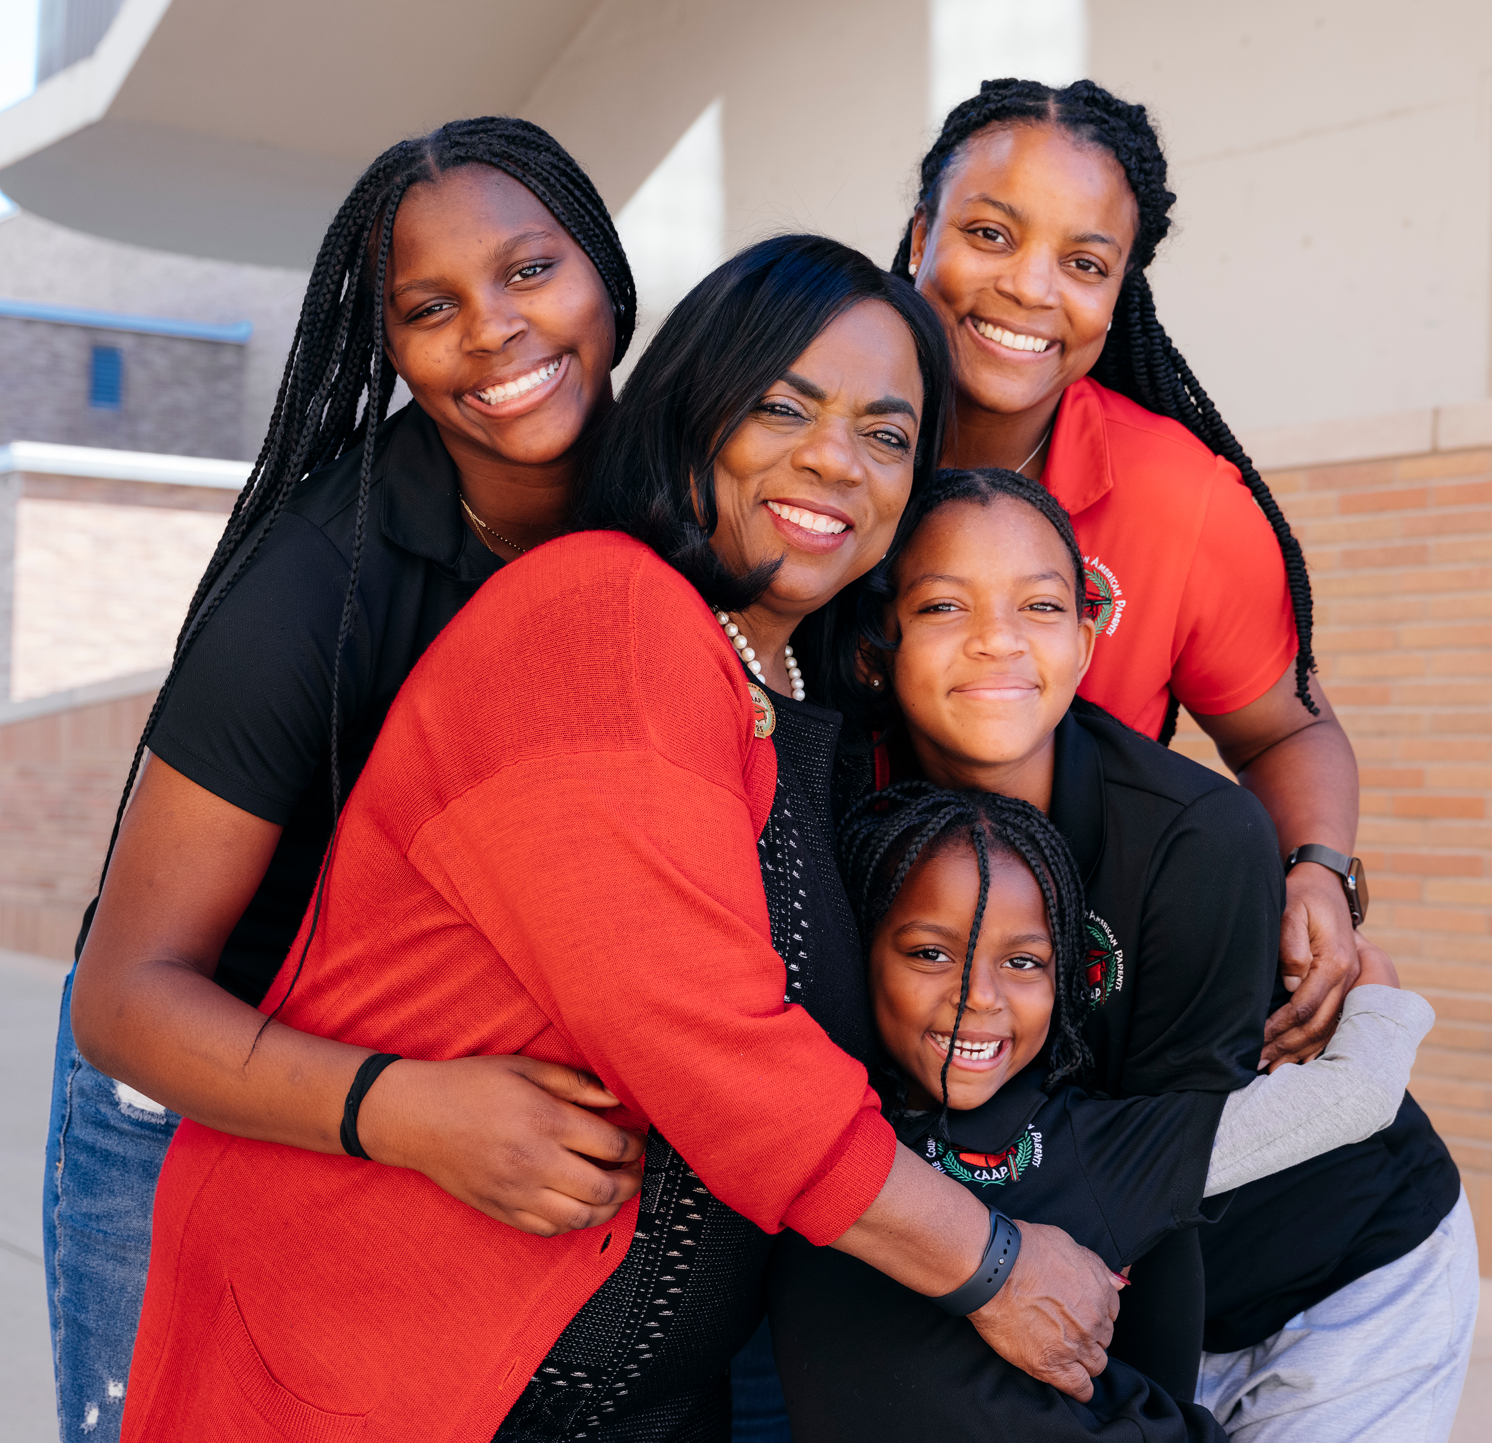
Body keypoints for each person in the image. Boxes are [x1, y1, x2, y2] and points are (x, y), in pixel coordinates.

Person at [121, 236, 1125, 1442]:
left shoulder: (787, 679)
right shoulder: (604, 619)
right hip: (387, 1369)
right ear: (690, 411)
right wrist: (989, 1264)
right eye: (782, 406)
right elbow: (705, 1040)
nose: (835, 458)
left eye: (886, 433)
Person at [50, 116, 653, 1443]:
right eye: (430, 308)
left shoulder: (677, 507)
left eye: (530, 270)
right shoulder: (314, 587)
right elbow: (126, 997)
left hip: (447, 1098)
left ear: (605, 270)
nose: (493, 330)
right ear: (386, 347)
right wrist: (408, 1111)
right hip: (213, 1075)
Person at [832, 468, 1478, 1441]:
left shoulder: (1195, 837)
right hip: (1077, 1287)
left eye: (1039, 606)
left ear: (1086, 639)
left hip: (1339, 1268)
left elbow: (1166, 1187)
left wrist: (1152, 1416)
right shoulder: (853, 818)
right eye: (943, 606)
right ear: (875, 648)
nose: (997, 639)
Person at [893, 80, 1363, 1066]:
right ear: (921, 236)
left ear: (1118, 293)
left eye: (1083, 263)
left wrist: (1317, 874)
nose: (1031, 288)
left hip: (1066, 1014)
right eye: (989, 234)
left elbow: (1285, 728)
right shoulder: (822, 449)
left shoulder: (1182, 500)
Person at [770, 777, 1437, 1443]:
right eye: (931, 953)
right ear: (863, 951)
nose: (979, 995)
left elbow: (1355, 1093)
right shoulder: (813, 1117)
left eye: (1023, 961)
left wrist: (1375, 985)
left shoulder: (1089, 1142)